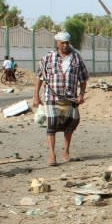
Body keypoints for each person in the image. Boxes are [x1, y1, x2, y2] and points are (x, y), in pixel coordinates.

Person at [33, 31, 89, 166]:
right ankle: (52, 155)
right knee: (51, 125)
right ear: (57, 43)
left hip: (70, 98)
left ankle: (66, 151)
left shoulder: (76, 58)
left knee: (70, 124)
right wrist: (36, 96)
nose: (65, 45)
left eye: (67, 42)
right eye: (62, 43)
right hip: (51, 96)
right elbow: (39, 77)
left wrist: (81, 94)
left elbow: (83, 78)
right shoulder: (47, 58)